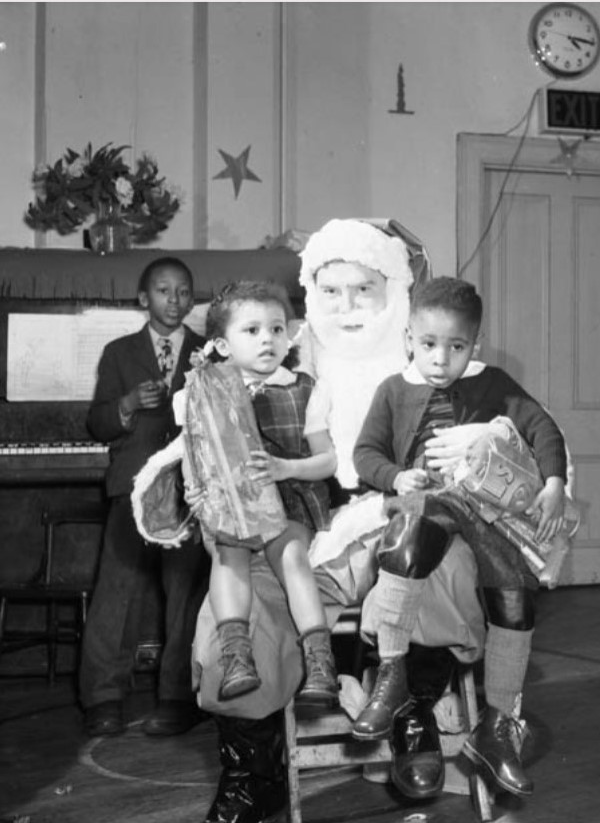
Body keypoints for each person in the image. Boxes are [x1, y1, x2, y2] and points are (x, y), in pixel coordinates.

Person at [141, 219, 487, 823]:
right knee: (235, 617)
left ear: (396, 295)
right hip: (304, 525)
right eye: (332, 291)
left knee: (443, 567)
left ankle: (414, 717)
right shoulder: (281, 362)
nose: (348, 306)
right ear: (309, 301)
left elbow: (514, 440)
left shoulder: (438, 362)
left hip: (397, 520)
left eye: (364, 289)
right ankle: (256, 774)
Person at [351, 276, 570, 797]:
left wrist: (555, 483)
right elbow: (365, 454)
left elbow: (544, 429)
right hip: (426, 502)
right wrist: (395, 477)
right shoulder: (393, 390)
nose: (441, 359)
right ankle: (392, 671)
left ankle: (495, 731)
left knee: (515, 593)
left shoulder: (492, 383)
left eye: (456, 347)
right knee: (408, 538)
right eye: (428, 344)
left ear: (476, 343)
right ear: (408, 337)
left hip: (482, 508)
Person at [179, 281, 340, 707]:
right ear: (221, 344)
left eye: (276, 329)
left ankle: (320, 661)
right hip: (231, 505)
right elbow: (192, 454)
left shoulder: (305, 388)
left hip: (288, 501)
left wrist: (287, 467)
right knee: (230, 554)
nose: (267, 338)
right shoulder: (205, 391)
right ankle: (236, 657)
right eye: (251, 331)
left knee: (290, 555)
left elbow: (328, 461)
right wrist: (194, 492)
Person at [80, 256, 210, 738]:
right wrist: (128, 405)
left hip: (188, 491)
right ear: (143, 299)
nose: (173, 301)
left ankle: (177, 696)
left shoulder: (208, 352)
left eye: (182, 292)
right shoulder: (118, 352)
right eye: (162, 291)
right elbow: (97, 423)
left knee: (185, 596)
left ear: (191, 301)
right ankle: (103, 697)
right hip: (132, 489)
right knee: (116, 594)